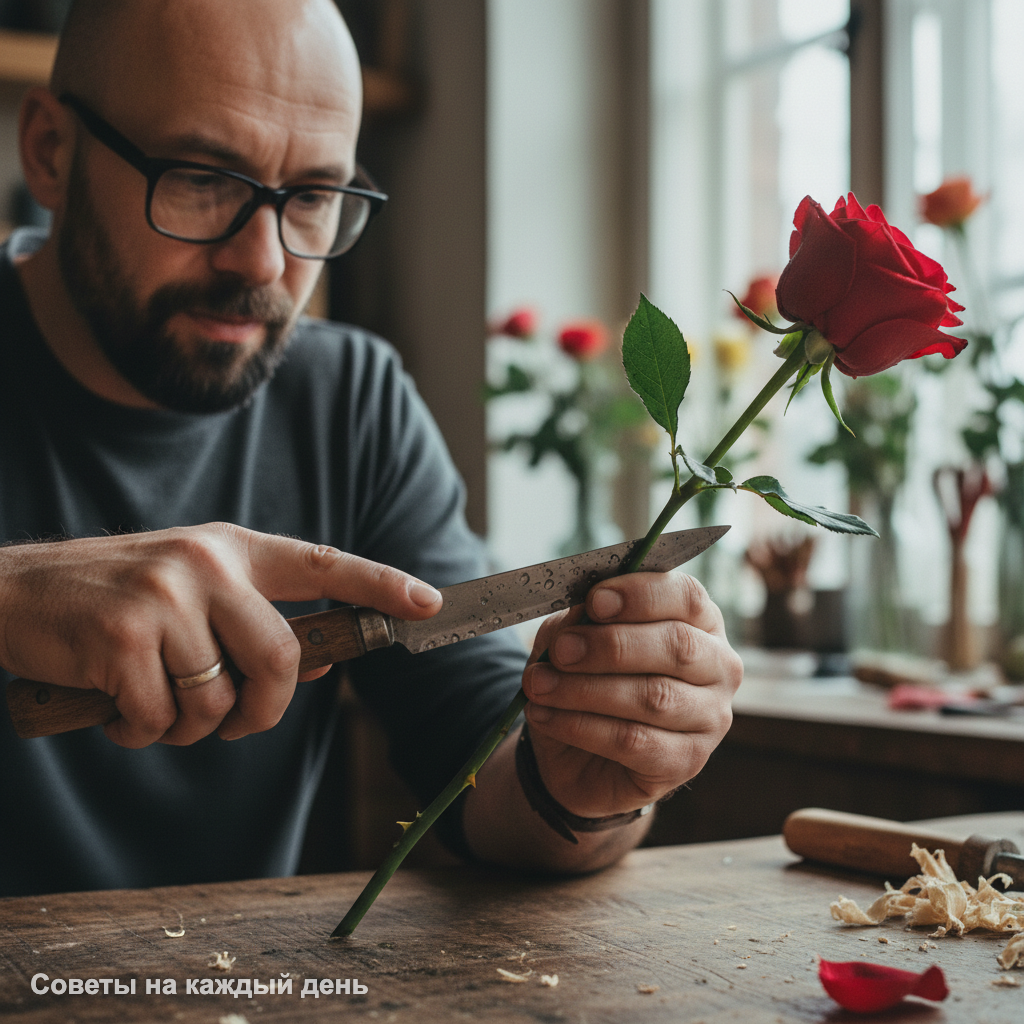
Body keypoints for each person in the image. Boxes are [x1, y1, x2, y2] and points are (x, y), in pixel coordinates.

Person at [0, 0, 742, 898]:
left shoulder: (350, 398)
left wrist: (577, 789)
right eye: (202, 178)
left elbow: (476, 754)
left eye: (311, 198)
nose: (266, 264)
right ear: (49, 150)